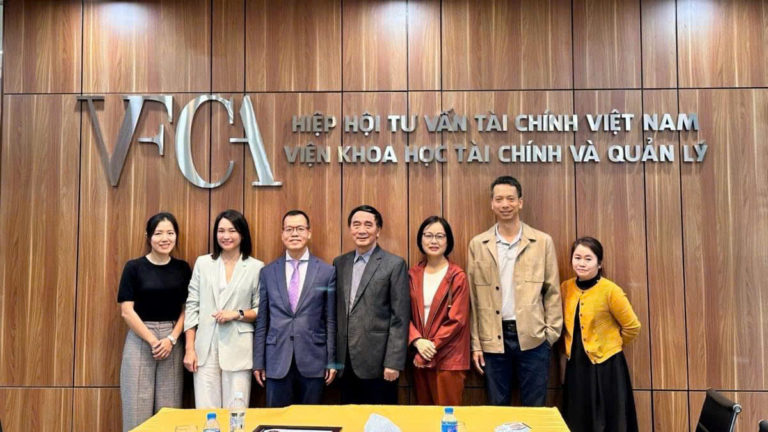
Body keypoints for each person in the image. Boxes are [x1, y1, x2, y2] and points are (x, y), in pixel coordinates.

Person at [467, 175, 562, 406]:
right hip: (493, 339)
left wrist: (549, 336)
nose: (505, 204)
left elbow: (552, 292)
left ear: (520, 202)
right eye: (499, 199)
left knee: (535, 408)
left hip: (533, 338)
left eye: (510, 199)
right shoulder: (478, 244)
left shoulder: (542, 242)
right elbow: (473, 299)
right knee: (497, 409)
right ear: (492, 204)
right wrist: (477, 343)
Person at [253, 210, 337, 407]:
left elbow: (331, 320)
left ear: (309, 233)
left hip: (313, 359)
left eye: (300, 228)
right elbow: (262, 321)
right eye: (289, 229)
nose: (294, 234)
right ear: (282, 234)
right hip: (276, 360)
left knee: (309, 420)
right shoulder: (268, 272)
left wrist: (331, 360)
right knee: (276, 419)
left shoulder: (326, 272)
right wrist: (258, 361)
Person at [118, 212, 192, 432]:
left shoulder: (182, 268)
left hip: (172, 340)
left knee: (169, 411)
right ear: (148, 236)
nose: (165, 238)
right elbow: (127, 311)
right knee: (136, 411)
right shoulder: (133, 267)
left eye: (170, 233)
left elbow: (188, 309)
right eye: (158, 233)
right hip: (141, 339)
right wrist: (153, 340)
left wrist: (171, 338)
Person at [183, 209, 263, 408]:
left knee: (237, 411)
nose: (226, 236)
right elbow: (192, 305)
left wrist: (237, 314)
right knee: (206, 411)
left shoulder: (256, 267)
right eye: (221, 231)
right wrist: (189, 348)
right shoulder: (203, 263)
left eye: (232, 230)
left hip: (239, 347)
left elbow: (261, 309)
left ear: (242, 234)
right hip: (205, 348)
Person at [561, 237, 641, 432]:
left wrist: (611, 345)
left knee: (608, 420)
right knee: (578, 418)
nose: (581, 263)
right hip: (576, 365)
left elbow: (632, 326)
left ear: (599, 263)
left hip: (607, 366)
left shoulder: (610, 290)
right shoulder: (565, 288)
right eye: (577, 257)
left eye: (588, 259)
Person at [334, 205, 410, 404]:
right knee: (349, 417)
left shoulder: (394, 264)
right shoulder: (339, 263)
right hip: (345, 361)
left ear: (378, 231)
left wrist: (393, 362)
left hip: (379, 362)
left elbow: (400, 318)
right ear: (350, 229)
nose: (362, 230)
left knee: (379, 417)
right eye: (356, 224)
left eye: (368, 225)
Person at [408, 216, 470, 406]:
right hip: (419, 354)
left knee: (446, 416)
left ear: (448, 241)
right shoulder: (412, 274)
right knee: (424, 416)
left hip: (448, 357)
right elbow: (402, 314)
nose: (433, 241)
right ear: (420, 239)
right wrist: (417, 341)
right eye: (428, 235)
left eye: (440, 236)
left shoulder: (458, 276)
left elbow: (457, 320)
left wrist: (429, 348)